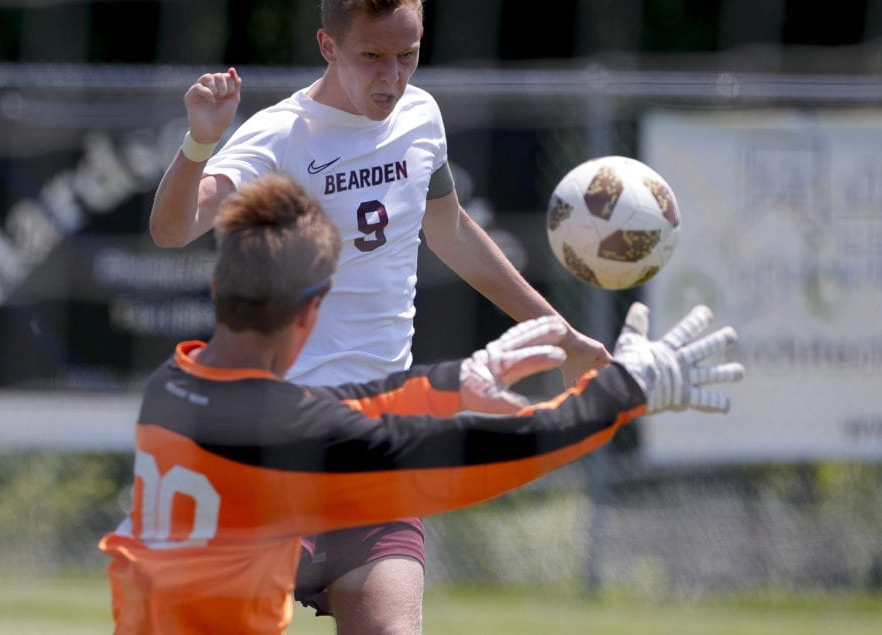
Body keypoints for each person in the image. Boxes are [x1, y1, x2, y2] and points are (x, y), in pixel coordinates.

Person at [148, 0, 613, 632]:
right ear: (328, 46)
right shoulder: (280, 136)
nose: (392, 76)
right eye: (372, 56)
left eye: (408, 55)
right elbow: (171, 230)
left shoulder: (421, 117)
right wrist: (198, 143)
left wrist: (560, 333)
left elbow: (451, 233)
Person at [101, 174, 743, 635]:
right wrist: (621, 392)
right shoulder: (293, 433)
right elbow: (483, 456)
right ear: (312, 310)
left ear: (217, 288)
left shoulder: (174, 385)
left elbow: (334, 400)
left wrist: (454, 382)